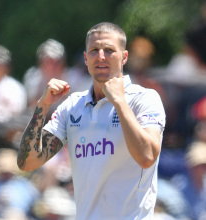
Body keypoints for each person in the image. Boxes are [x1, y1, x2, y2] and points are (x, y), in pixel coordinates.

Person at [17, 22, 166, 219]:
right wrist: (42, 106)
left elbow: (147, 156)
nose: (101, 56)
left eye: (109, 50)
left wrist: (119, 102)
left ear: (124, 57)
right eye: (94, 50)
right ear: (86, 59)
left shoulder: (144, 99)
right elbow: (27, 162)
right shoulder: (72, 106)